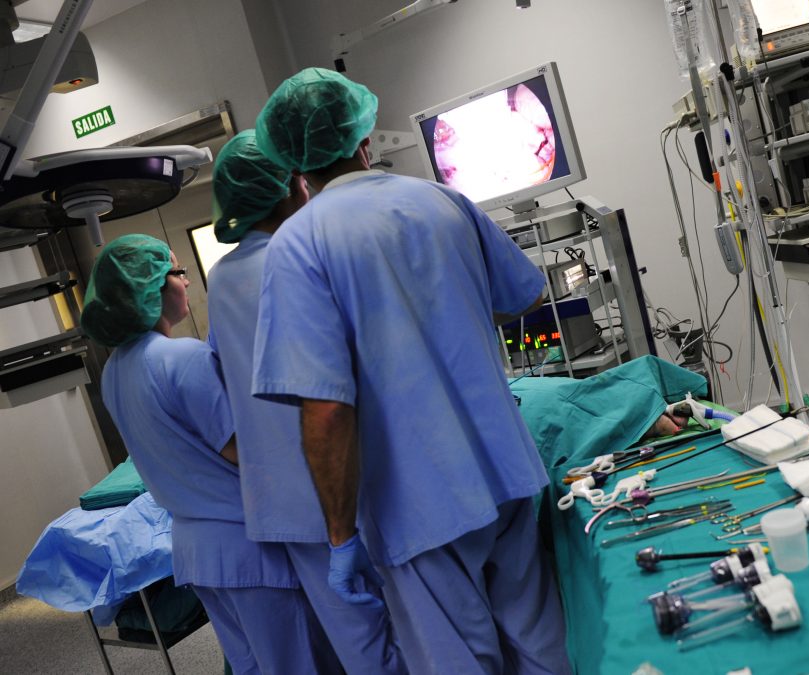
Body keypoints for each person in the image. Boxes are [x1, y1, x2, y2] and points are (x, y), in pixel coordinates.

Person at [251, 67, 572, 675]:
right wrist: (444, 307)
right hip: (504, 470)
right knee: (542, 651)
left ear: (292, 163)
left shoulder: (299, 245)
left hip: (420, 504)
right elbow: (525, 294)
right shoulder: (442, 201)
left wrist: (341, 537)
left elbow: (325, 409)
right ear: (363, 137)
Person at [82, 234, 341, 675]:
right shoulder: (181, 358)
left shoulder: (114, 372)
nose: (186, 282)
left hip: (195, 554)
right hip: (246, 547)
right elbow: (246, 451)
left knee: (252, 667)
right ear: (149, 287)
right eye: (177, 272)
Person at [207, 130, 403, 673]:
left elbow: (225, 371)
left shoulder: (220, 279)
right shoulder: (305, 252)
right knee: (416, 628)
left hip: (284, 503)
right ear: (289, 185)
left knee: (358, 643)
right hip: (346, 481)